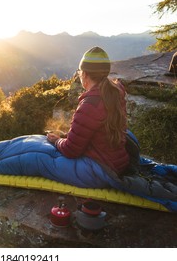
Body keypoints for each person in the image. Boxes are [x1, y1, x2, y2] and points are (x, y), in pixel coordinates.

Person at [47, 46, 129, 175]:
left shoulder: (90, 105)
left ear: (84, 74)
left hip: (101, 169)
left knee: (42, 160)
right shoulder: (116, 92)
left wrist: (56, 141)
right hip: (118, 162)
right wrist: (68, 136)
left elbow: (71, 151)